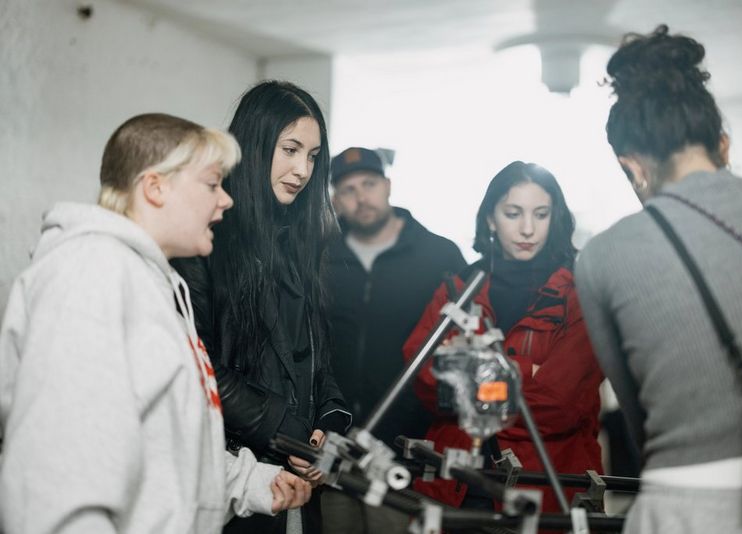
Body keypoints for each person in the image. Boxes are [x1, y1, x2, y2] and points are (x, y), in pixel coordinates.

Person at [0, 113, 311, 534]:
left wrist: (253, 482)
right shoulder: (91, 273)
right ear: (155, 187)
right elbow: (61, 469)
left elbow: (166, 444)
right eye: (211, 184)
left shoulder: (151, 282)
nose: (226, 200)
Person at [574, 25, 742, 533]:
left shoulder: (604, 256)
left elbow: (641, 422)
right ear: (721, 142)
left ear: (632, 167)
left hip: (689, 506)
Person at [172, 81, 351, 534]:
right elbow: (199, 367)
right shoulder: (204, 241)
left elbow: (314, 359)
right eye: (290, 149)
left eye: (312, 156)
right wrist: (285, 427)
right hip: (230, 476)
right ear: (253, 145)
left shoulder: (302, 243)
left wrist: (328, 424)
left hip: (295, 477)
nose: (302, 169)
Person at [403, 161, 604, 514]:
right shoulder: (458, 288)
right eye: (513, 213)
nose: (528, 228)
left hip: (544, 487)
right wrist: (526, 372)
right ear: (491, 218)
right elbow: (422, 374)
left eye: (541, 214)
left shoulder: (580, 295)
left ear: (554, 219)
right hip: (457, 486)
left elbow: (560, 403)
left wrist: (467, 375)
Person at [321, 147, 466, 534]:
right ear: (336, 200)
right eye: (348, 189)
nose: (361, 197)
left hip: (411, 450)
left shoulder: (439, 255)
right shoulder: (320, 257)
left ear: (388, 186)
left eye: (369, 184)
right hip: (333, 448)